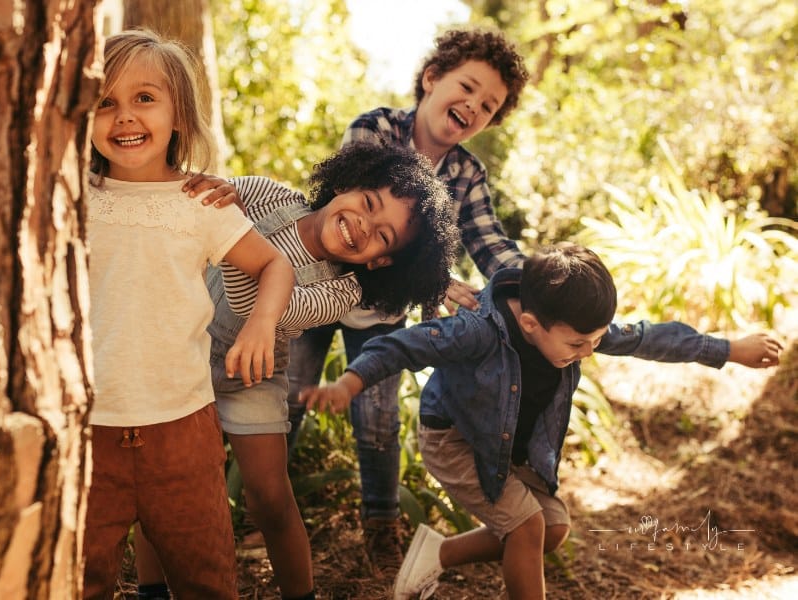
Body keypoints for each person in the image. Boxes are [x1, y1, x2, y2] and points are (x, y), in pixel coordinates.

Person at [299, 243, 783, 600]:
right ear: (530, 324)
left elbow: (646, 338)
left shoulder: (573, 325)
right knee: (527, 528)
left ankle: (438, 553)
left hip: (507, 446)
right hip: (455, 441)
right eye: (578, 345)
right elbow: (403, 345)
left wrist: (728, 349)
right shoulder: (477, 330)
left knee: (552, 529)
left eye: (595, 340)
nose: (588, 352)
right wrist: (349, 383)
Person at [138, 141, 460, 600]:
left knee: (270, 498)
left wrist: (231, 232)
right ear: (347, 183)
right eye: (369, 203)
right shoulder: (269, 196)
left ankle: (300, 594)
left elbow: (260, 307)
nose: (363, 225)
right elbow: (205, 201)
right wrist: (211, 193)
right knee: (162, 480)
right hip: (181, 354)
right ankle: (150, 590)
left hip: (253, 375)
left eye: (383, 236)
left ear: (380, 261)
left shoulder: (342, 291)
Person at [283, 26, 531, 570]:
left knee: (377, 417)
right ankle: (265, 505)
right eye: (467, 87)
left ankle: (381, 525)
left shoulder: (466, 173)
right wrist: (434, 281)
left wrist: (537, 285)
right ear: (432, 78)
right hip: (317, 288)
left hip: (381, 312)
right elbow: (346, 221)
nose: (473, 105)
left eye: (488, 105)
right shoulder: (374, 130)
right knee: (290, 397)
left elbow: (489, 243)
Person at [83, 29, 295, 599]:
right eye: (106, 102)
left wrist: (260, 325)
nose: (125, 116)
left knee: (206, 579)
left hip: (182, 429)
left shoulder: (202, 203)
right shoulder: (71, 197)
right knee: (78, 580)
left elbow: (274, 264)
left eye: (144, 98)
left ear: (179, 114)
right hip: (88, 429)